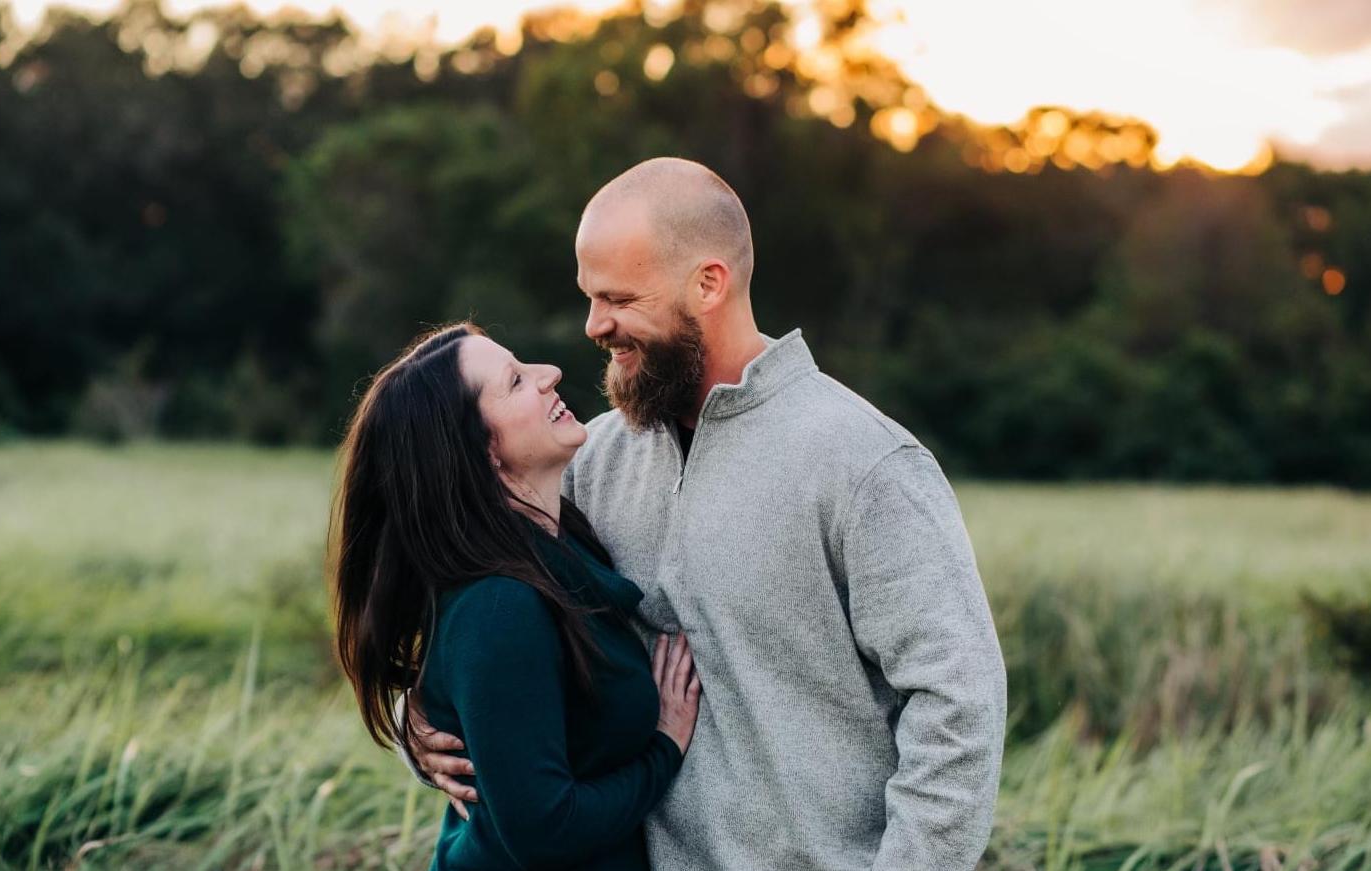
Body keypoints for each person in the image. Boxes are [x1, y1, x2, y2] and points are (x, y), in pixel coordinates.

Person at [408, 158, 1009, 869]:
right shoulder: (588, 462)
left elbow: (957, 706)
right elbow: (481, 617)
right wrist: (420, 720)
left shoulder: (865, 463)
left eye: (618, 298)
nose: (594, 325)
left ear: (708, 284)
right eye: (589, 297)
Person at [327, 323, 702, 870]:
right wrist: (665, 746)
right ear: (483, 452)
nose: (550, 374)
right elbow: (545, 831)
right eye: (516, 381)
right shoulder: (499, 606)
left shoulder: (564, 543)